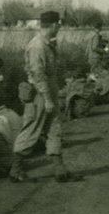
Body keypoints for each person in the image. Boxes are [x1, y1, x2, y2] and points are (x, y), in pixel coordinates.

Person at [10, 11, 78, 183]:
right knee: (32, 129)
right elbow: (38, 75)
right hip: (40, 94)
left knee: (55, 128)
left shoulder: (47, 44)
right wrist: (47, 99)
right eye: (59, 25)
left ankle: (59, 170)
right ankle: (15, 170)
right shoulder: (37, 46)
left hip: (49, 91)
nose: (60, 28)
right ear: (54, 25)